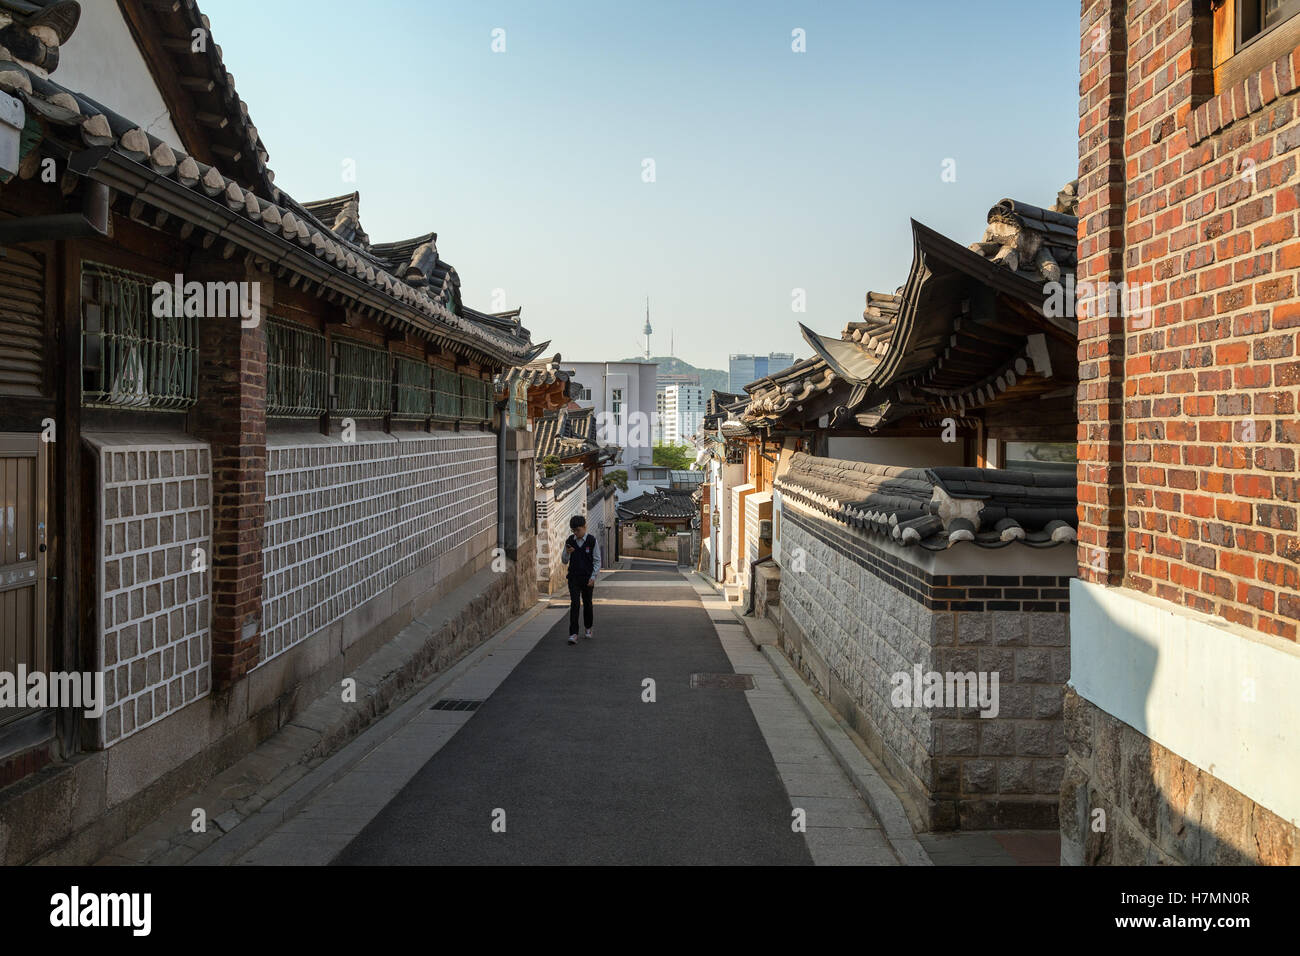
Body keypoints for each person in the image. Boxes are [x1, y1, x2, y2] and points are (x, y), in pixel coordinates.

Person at [561, 514, 600, 644]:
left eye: (578, 530)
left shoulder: (592, 541)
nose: (576, 533)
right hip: (573, 577)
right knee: (575, 604)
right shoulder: (570, 541)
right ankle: (573, 633)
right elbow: (564, 561)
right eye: (573, 531)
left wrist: (593, 576)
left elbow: (597, 561)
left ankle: (588, 628)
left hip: (587, 578)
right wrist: (568, 552)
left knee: (587, 603)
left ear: (584, 527)